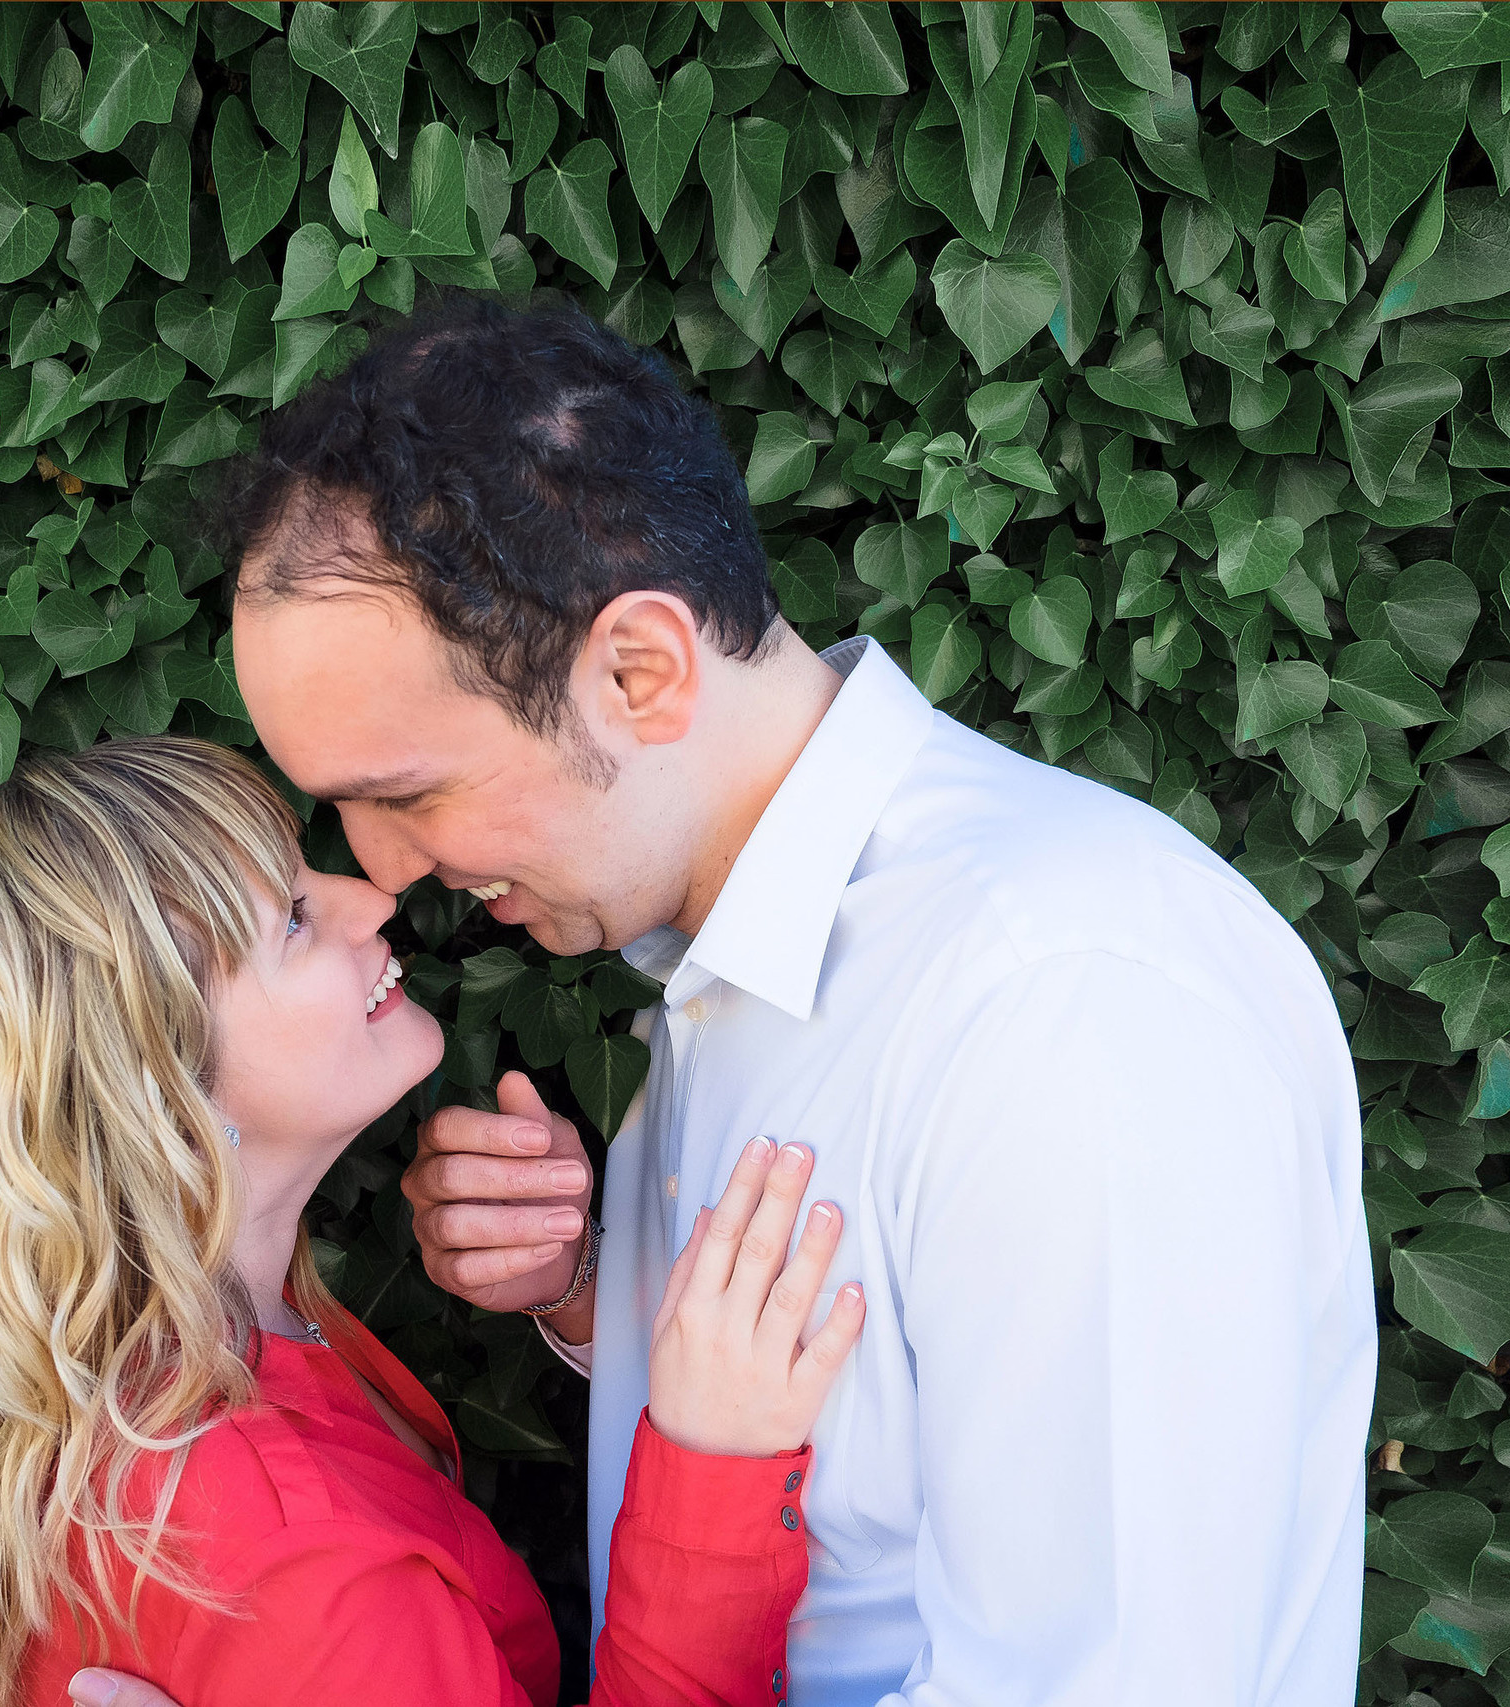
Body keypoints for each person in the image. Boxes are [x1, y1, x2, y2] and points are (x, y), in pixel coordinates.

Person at [103, 297, 1378, 1706]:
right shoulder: (738, 955)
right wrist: (597, 1288)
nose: (386, 872)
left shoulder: (1066, 1007)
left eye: (406, 795)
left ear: (640, 671)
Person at [0, 736, 868, 1707]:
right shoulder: (283, 1550)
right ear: (157, 1093)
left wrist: (579, 1285)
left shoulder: (183, 1362)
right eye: (287, 917)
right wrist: (710, 1470)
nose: (370, 899)